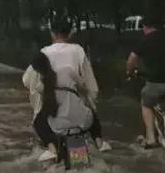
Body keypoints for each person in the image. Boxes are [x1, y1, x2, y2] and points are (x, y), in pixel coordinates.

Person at [22, 19, 111, 159]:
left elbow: (27, 80)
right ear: (70, 34)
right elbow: (90, 85)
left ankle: (51, 148)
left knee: (39, 124)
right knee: (91, 115)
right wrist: (91, 102)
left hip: (52, 113)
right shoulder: (78, 51)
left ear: (52, 34)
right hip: (76, 112)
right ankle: (99, 143)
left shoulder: (44, 53)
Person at [126, 16, 165, 148]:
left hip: (156, 84)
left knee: (146, 103)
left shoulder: (144, 41)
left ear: (145, 27)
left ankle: (151, 138)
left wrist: (131, 72)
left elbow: (131, 61)